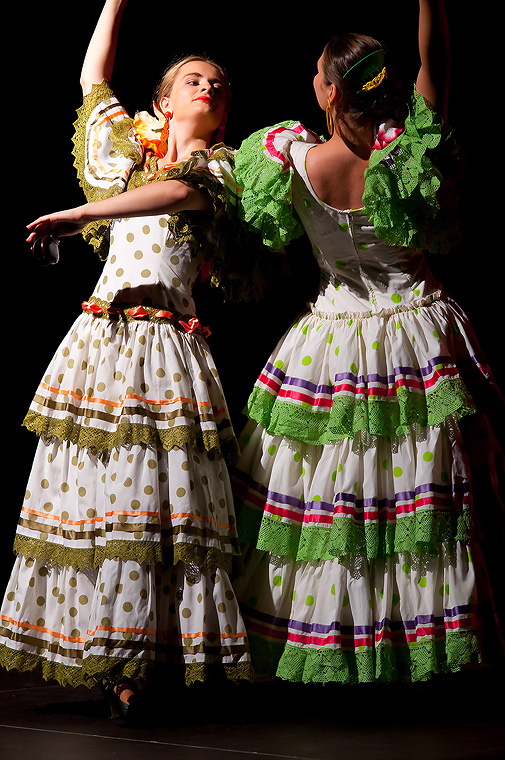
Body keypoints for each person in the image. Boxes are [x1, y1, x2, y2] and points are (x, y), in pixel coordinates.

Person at [228, 0, 505, 685]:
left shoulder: (289, 157)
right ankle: (422, 650)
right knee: (413, 489)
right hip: (416, 330)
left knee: (333, 493)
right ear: (379, 86)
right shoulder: (408, 146)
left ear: (326, 88)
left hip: (329, 338)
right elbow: (435, 59)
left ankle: (336, 644)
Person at [0, 0, 252, 720]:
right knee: (102, 497)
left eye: (219, 86)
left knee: (159, 505)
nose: (210, 89)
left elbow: (175, 194)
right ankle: (110, 657)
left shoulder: (221, 170)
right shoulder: (123, 158)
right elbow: (91, 78)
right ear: (162, 102)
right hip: (103, 341)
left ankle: (151, 653)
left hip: (168, 345)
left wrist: (81, 215)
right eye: (195, 80)